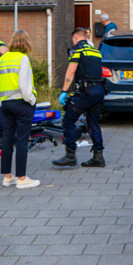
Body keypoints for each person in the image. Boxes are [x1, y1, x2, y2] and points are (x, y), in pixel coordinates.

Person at [0, 30, 40, 190]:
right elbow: (24, 85)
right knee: (22, 140)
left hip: (6, 104)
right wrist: (31, 99)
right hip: (22, 103)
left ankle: (7, 177)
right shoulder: (23, 58)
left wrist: (2, 98)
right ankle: (21, 178)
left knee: (7, 138)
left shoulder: (2, 59)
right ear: (26, 43)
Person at [53, 27, 106, 168]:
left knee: (68, 121)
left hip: (85, 92)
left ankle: (70, 155)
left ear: (76, 37)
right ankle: (98, 157)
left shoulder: (77, 50)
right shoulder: (95, 51)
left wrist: (64, 91)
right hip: (98, 91)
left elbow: (71, 71)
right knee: (93, 123)